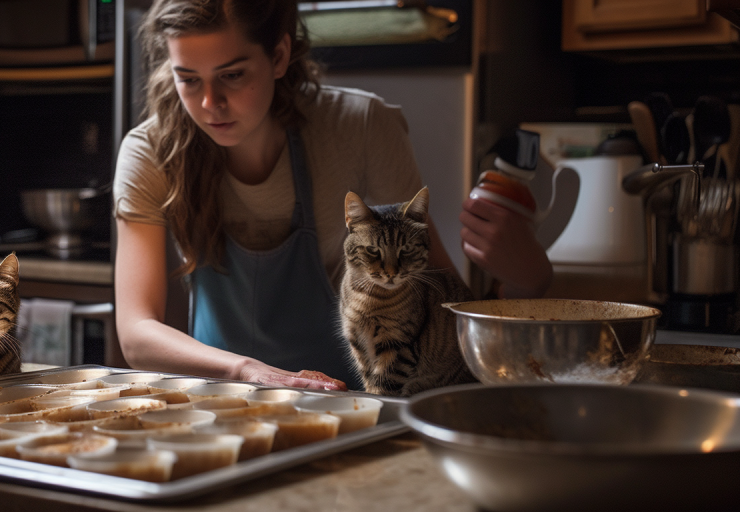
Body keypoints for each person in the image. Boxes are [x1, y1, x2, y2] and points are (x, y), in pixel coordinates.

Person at [113, 0, 552, 391]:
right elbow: (136, 334)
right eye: (188, 79)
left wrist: (525, 283)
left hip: (352, 404)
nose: (210, 103)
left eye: (232, 75)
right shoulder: (152, 151)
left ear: (279, 55)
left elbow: (439, 305)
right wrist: (246, 371)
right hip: (223, 409)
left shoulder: (361, 127)